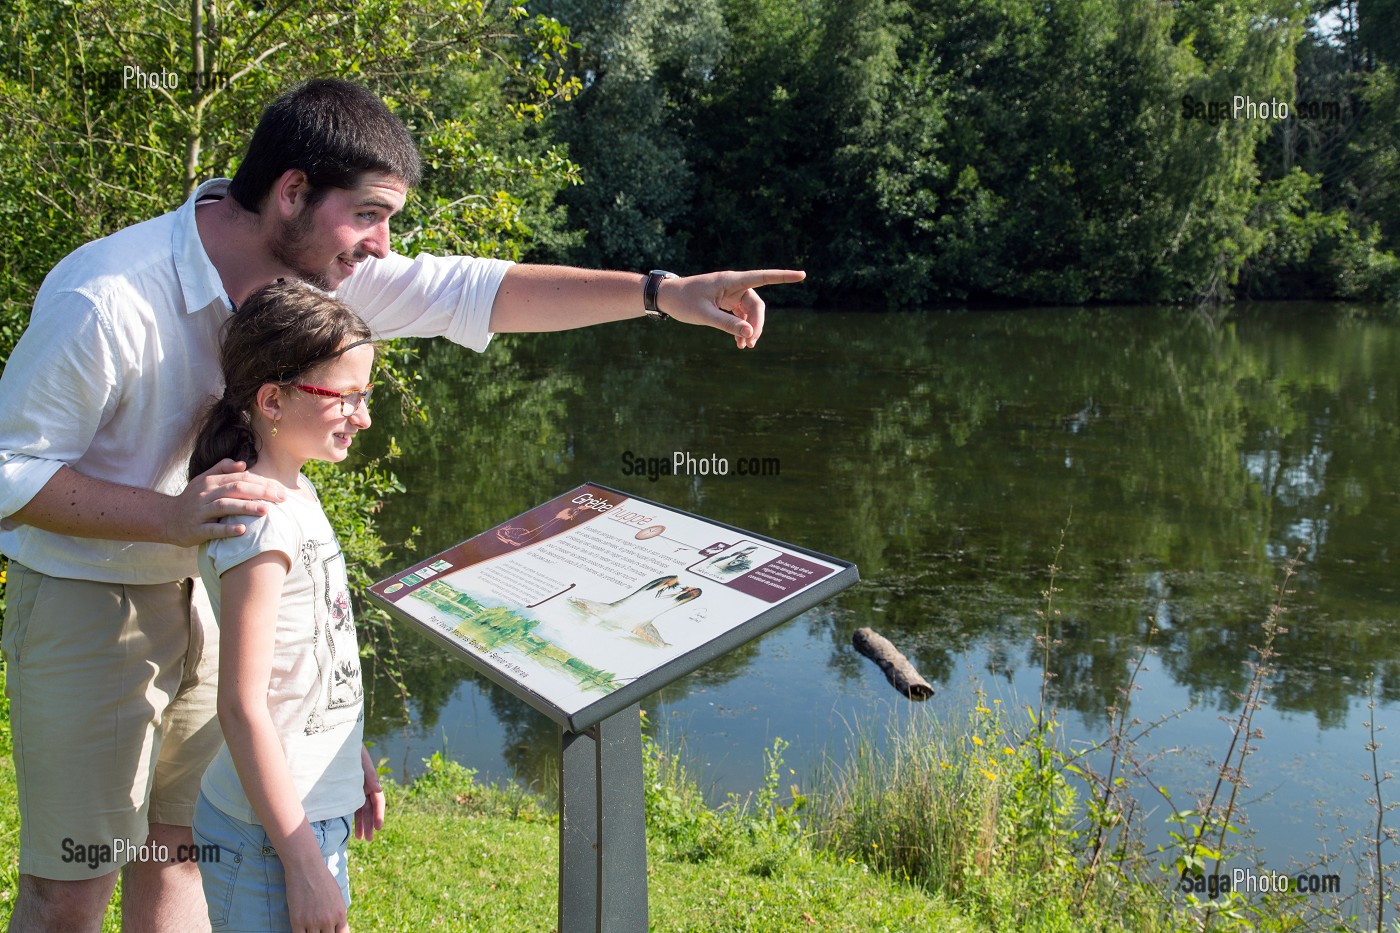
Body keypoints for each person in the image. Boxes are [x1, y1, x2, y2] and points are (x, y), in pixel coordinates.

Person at [0, 77, 803, 932]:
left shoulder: (318, 280)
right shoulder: (107, 295)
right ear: (292, 192)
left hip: (221, 592)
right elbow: (10, 468)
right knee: (73, 884)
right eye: (370, 215)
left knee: (180, 850)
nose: (382, 246)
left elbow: (477, 291)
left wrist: (660, 292)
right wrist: (166, 518)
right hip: (94, 600)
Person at [189, 281, 381, 933]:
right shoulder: (262, 520)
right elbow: (242, 705)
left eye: (365, 395)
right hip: (272, 838)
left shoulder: (296, 493)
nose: (362, 417)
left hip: (304, 812)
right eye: (346, 397)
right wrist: (303, 864)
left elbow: (307, 660)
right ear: (272, 400)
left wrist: (348, 754)